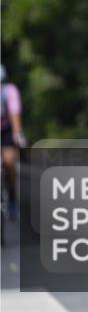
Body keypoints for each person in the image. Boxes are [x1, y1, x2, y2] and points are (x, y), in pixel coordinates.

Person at [0, 63, 26, 219]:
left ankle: (12, 198)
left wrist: (17, 134)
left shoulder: (9, 91)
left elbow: (15, 113)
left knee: (9, 162)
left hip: (6, 131)